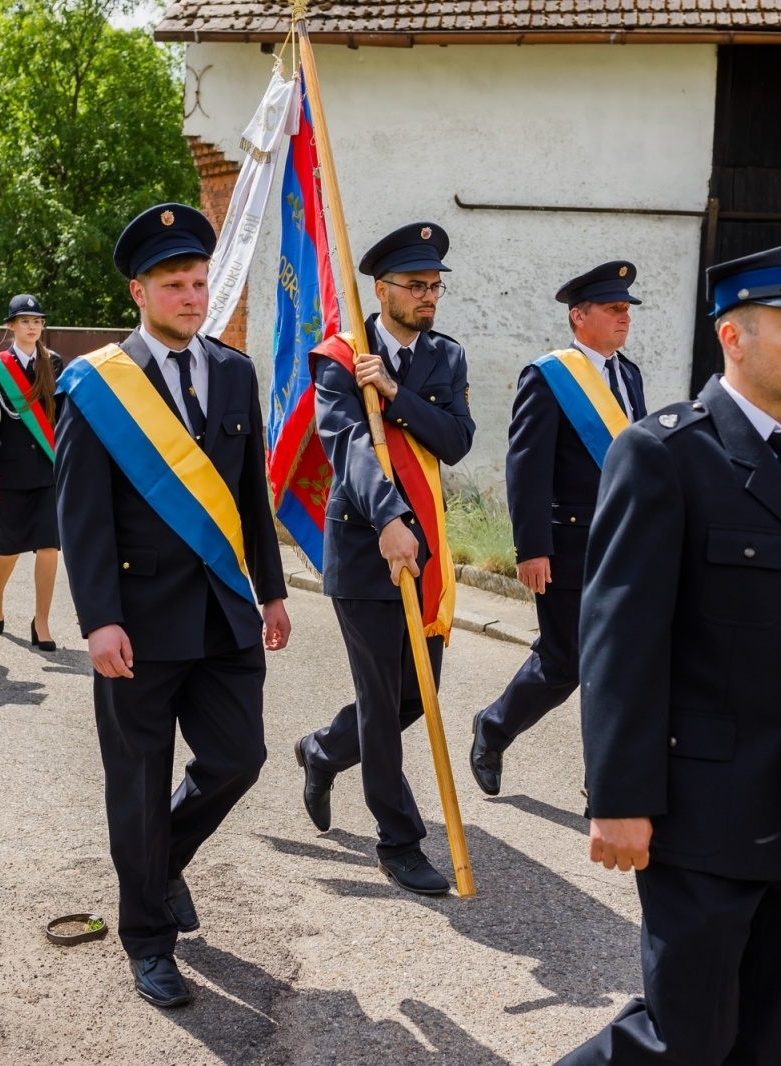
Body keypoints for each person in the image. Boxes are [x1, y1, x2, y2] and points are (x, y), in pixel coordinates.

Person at [560, 237, 781, 1066]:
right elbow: (620, 641)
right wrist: (619, 796)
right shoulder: (665, 455)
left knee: (779, 1039)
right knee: (683, 1040)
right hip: (696, 808)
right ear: (733, 338)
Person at [54, 203, 290, 1008]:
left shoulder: (234, 371)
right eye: (175, 285)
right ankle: (148, 939)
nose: (192, 297)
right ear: (140, 292)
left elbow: (249, 495)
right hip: (139, 622)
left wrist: (273, 589)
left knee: (239, 759)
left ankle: (160, 871)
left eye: (200, 283)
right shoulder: (100, 384)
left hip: (226, 614)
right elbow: (78, 512)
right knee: (140, 783)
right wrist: (97, 618)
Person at [293, 222, 476, 897]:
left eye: (435, 287)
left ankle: (322, 750)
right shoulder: (341, 357)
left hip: (426, 553)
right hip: (366, 549)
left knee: (412, 698)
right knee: (380, 701)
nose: (430, 296)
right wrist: (389, 518)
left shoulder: (444, 358)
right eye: (417, 286)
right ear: (382, 289)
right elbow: (346, 445)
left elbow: (455, 441)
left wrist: (397, 397)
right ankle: (398, 840)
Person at [471, 260, 647, 797]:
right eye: (613, 310)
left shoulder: (630, 374)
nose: (624, 319)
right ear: (579, 316)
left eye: (626, 310)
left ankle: (606, 784)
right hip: (569, 545)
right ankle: (493, 728)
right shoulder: (548, 377)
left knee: (618, 666)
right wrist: (531, 547)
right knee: (562, 663)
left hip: (623, 546)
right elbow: (526, 466)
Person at [0, 294, 62, 650]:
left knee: (49, 548)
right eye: (25, 321)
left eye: (37, 321)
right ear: (11, 326)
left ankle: (41, 621)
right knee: (9, 548)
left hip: (48, 470)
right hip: (11, 472)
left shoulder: (54, 363)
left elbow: (64, 416)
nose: (32, 327)